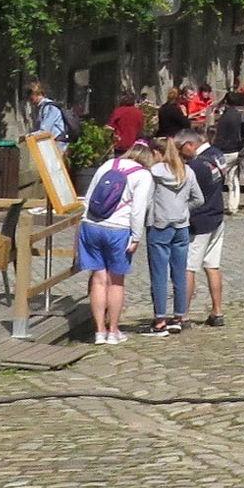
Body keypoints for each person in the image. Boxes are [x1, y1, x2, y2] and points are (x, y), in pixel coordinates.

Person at [77, 142, 153, 344]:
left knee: (98, 279)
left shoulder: (109, 164)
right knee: (116, 282)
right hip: (118, 229)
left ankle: (99, 331)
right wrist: (136, 236)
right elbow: (138, 210)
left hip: (91, 225)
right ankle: (113, 331)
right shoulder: (143, 175)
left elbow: (89, 197)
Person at [145, 136, 203, 335]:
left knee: (159, 275)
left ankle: (160, 318)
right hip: (181, 226)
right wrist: (184, 210)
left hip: (160, 225)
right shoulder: (188, 171)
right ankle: (179, 316)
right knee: (179, 273)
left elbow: (146, 199)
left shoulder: (154, 173)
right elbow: (199, 199)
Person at [178, 130, 230, 328]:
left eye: (181, 148)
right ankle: (217, 311)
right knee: (212, 265)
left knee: (189, 268)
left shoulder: (196, 166)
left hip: (200, 220)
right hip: (217, 214)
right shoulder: (217, 154)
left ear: (191, 144)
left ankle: (183, 314)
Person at [212, 88, 244, 214]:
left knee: (218, 178)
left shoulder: (224, 118)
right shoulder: (239, 116)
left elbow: (219, 136)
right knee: (234, 179)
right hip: (236, 149)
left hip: (225, 151)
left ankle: (215, 204)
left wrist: (214, 149)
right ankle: (233, 206)